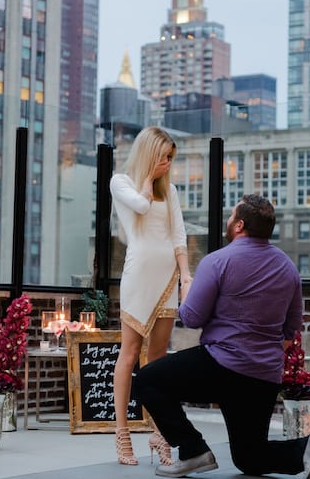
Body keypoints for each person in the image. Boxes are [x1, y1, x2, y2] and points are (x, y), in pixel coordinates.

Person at [134, 194, 310, 478]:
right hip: (263, 375)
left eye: (230, 216)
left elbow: (191, 318)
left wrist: (185, 294)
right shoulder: (288, 268)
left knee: (148, 379)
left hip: (220, 365)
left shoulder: (218, 261)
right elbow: (291, 330)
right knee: (249, 457)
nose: (227, 221)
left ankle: (193, 450)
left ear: (239, 225)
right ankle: (305, 449)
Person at [109, 126, 193, 466]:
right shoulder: (121, 182)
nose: (168, 163)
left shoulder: (169, 189)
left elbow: (178, 233)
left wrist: (185, 274)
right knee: (129, 354)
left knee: (158, 358)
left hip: (167, 280)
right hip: (139, 277)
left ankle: (159, 432)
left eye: (171, 158)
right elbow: (141, 208)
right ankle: (122, 433)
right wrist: (147, 180)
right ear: (149, 153)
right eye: (164, 156)